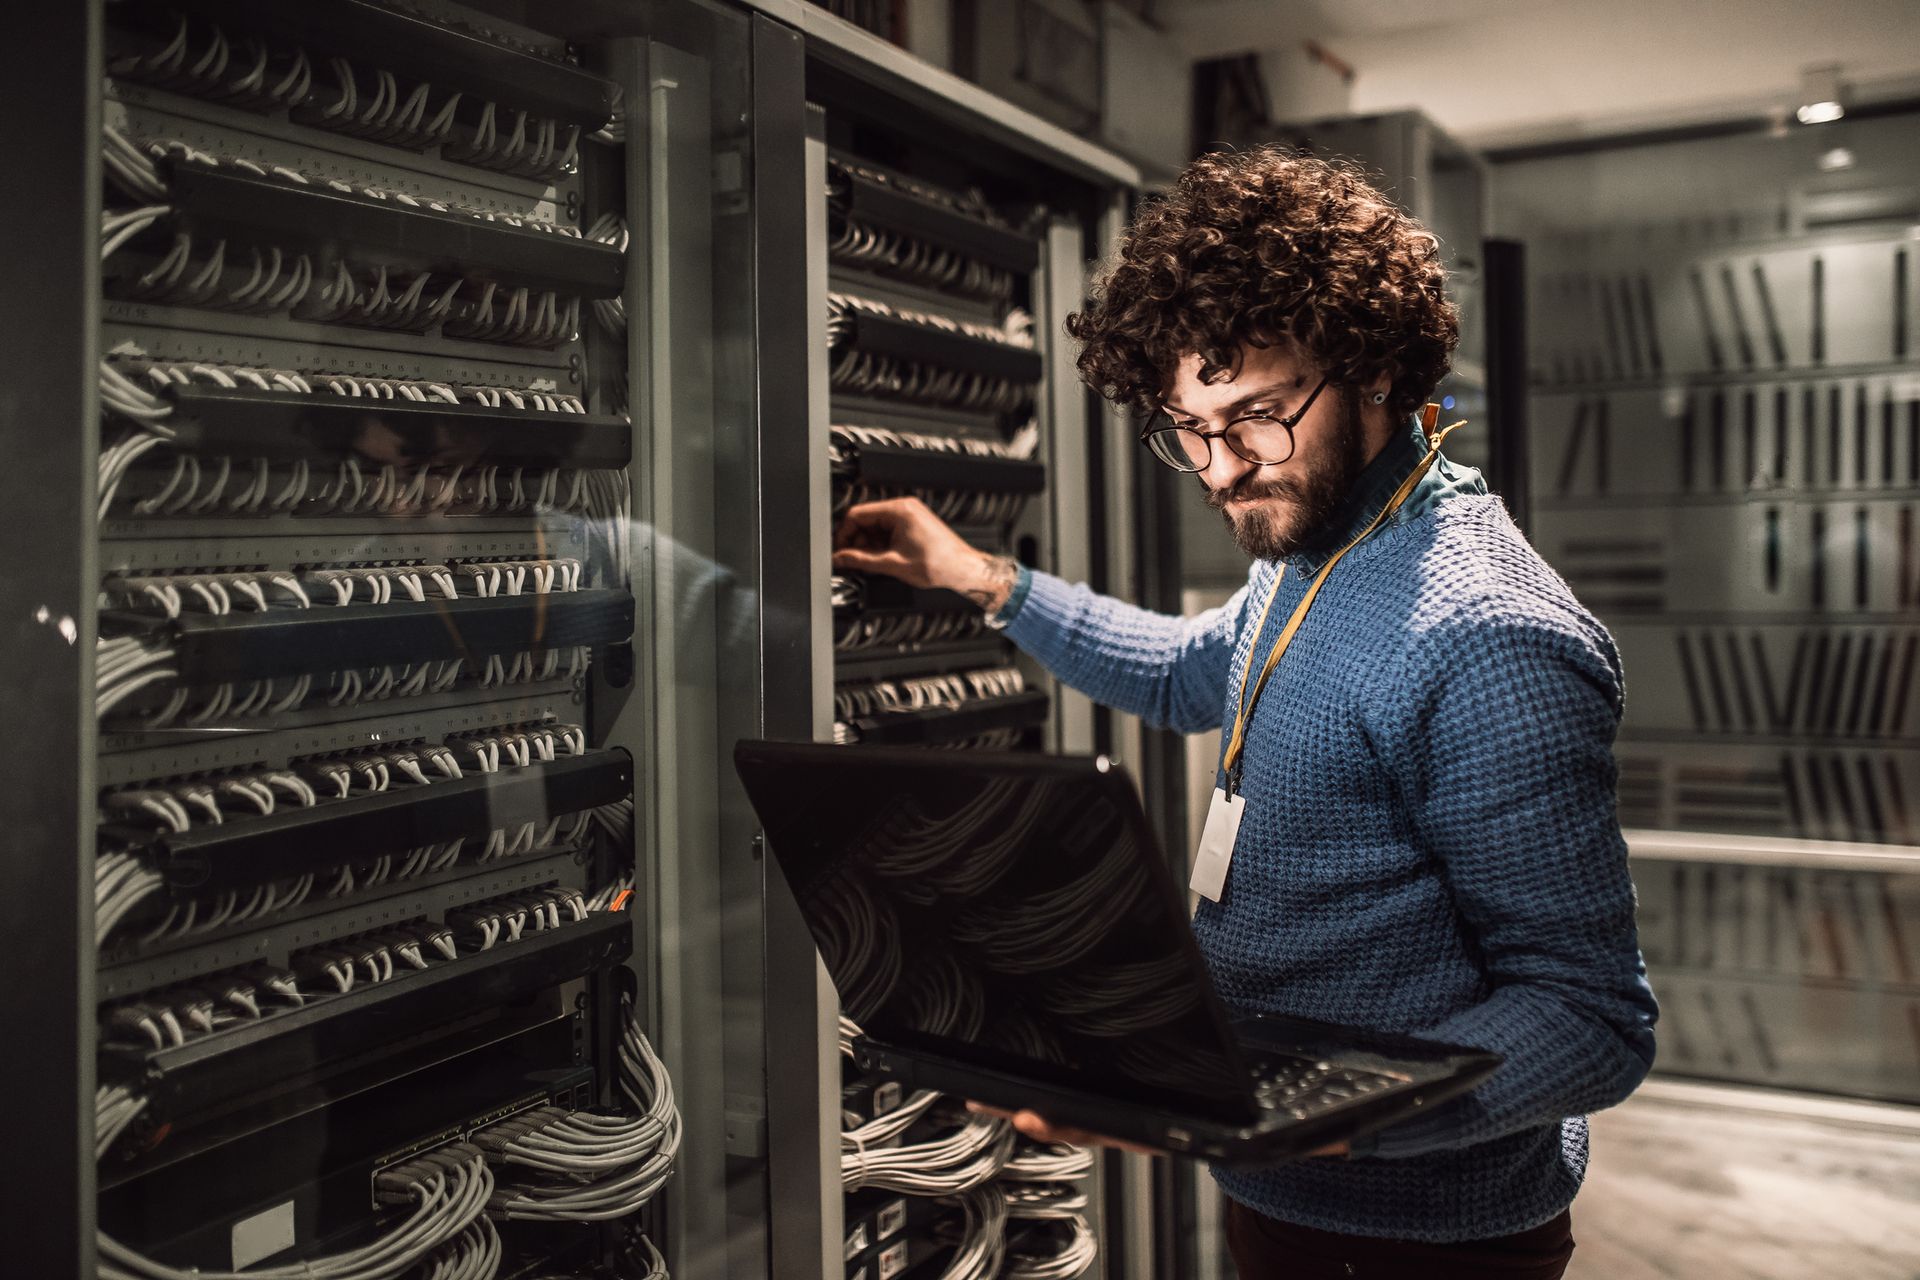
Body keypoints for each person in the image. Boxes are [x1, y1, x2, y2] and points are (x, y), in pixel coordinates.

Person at [832, 147, 1657, 1280]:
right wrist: (981, 576)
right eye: (1190, 429)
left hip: (1425, 1238)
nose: (1220, 469)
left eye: (1257, 417)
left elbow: (1590, 1021)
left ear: (1369, 363)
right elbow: (1186, 669)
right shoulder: (1316, 547)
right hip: (1279, 1189)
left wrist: (1299, 1114)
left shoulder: (1487, 639)